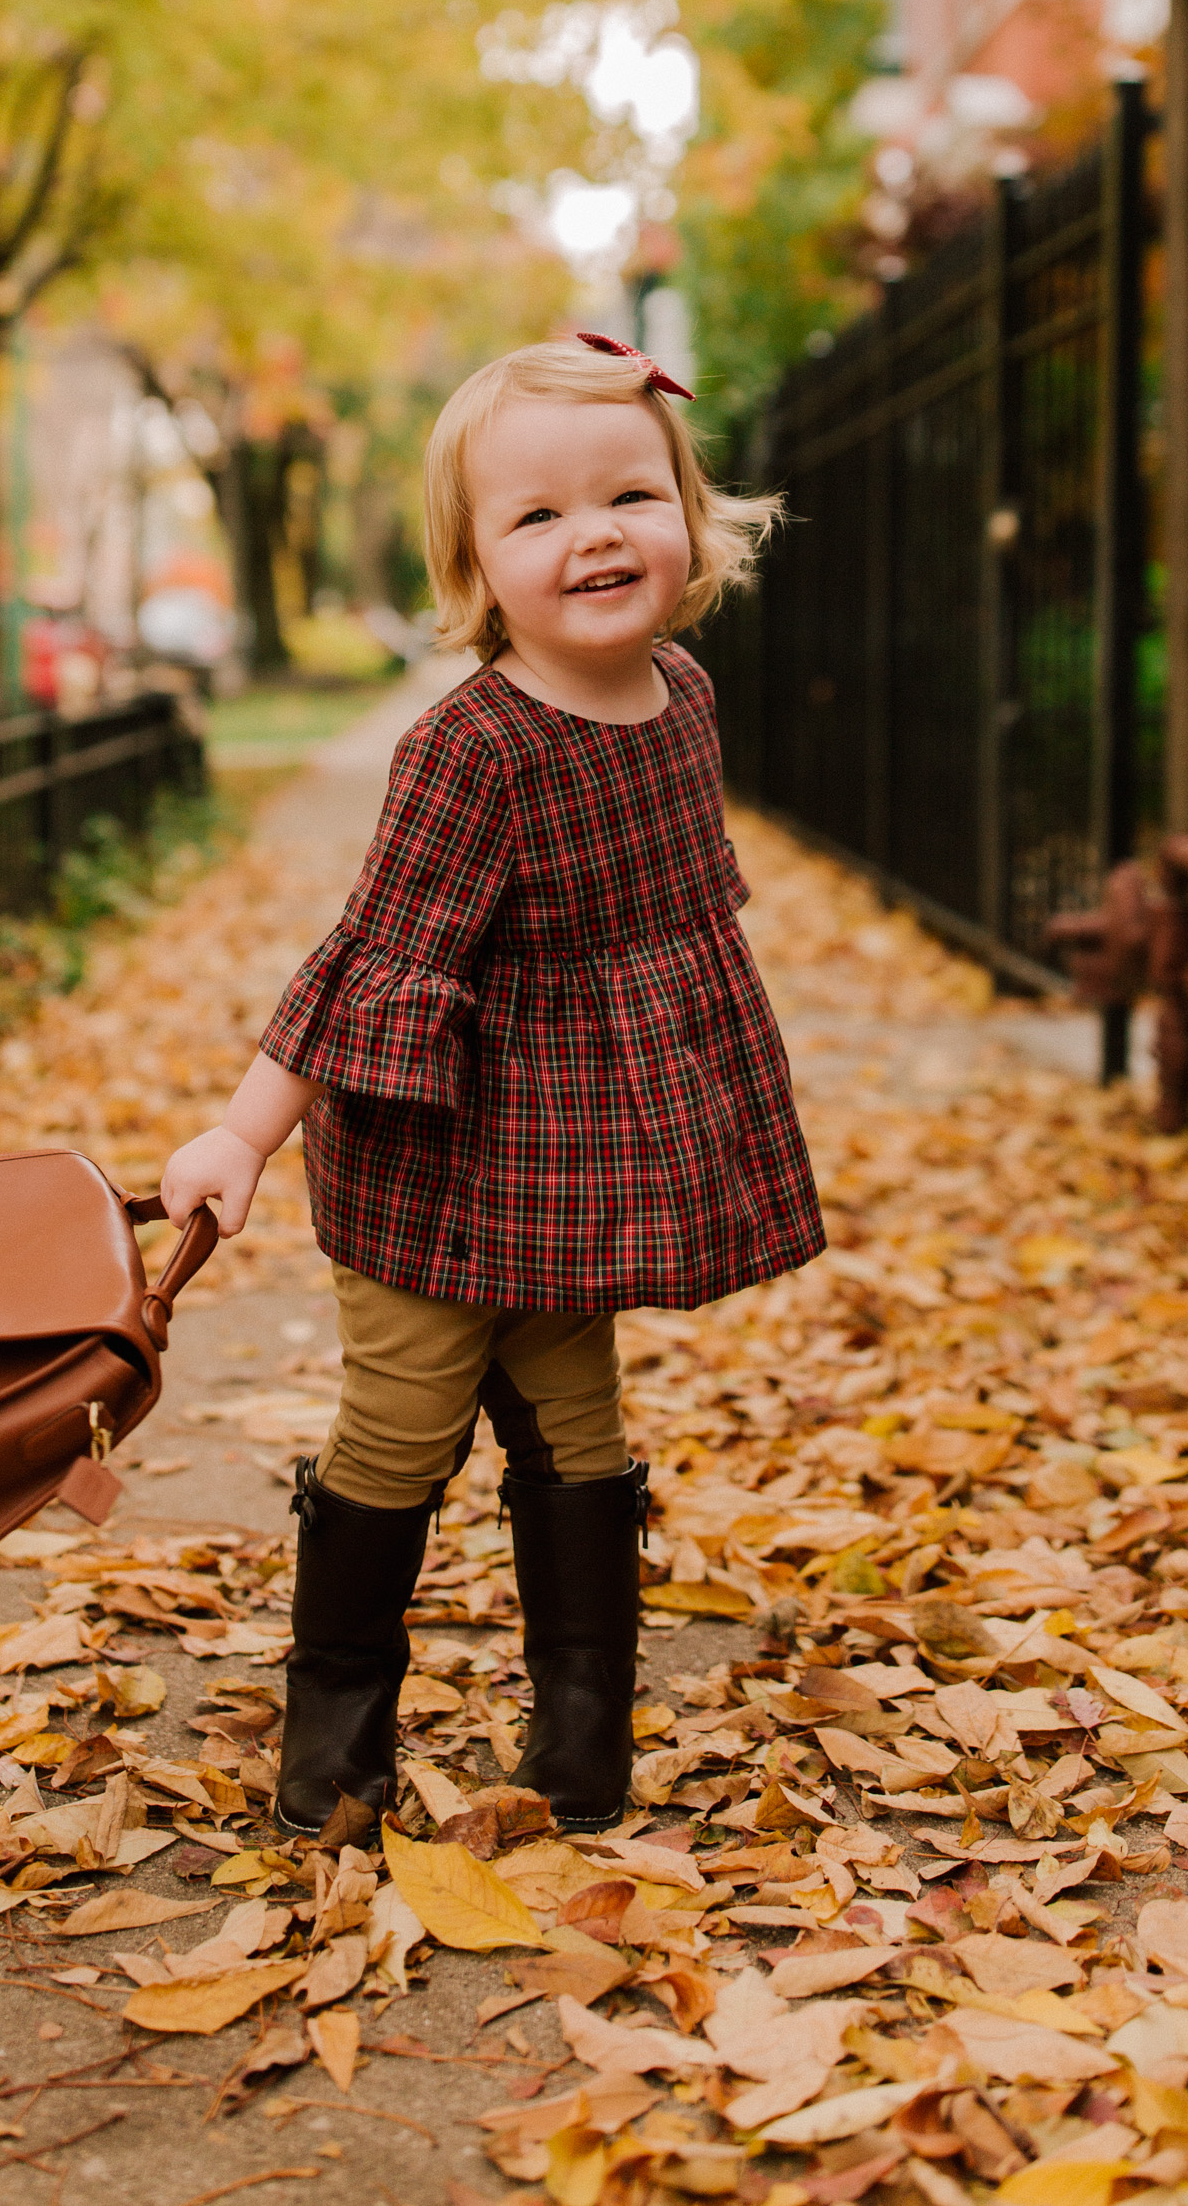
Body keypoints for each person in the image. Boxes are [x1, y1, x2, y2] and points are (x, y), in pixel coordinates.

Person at [159, 333, 825, 1834]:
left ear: (689, 512)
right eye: (535, 516)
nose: (592, 534)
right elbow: (371, 955)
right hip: (441, 1160)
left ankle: (584, 1740)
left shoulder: (686, 697)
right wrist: (245, 1131)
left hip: (582, 1157)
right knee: (403, 1426)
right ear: (476, 564)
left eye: (628, 496)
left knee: (577, 1419)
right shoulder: (473, 749)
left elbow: (680, 924)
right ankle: (334, 1749)